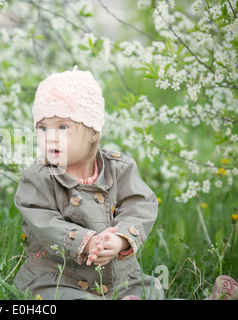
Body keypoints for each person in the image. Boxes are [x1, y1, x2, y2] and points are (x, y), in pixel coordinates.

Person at [13, 66, 237, 300]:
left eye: (62, 127)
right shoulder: (38, 177)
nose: (50, 136)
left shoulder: (119, 169)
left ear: (93, 132)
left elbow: (140, 206)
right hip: (58, 277)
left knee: (149, 292)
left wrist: (120, 238)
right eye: (42, 127)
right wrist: (85, 242)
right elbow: (44, 221)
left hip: (116, 277)